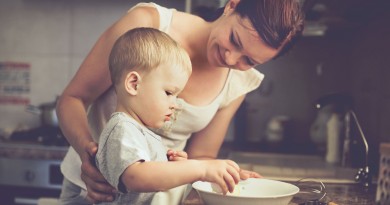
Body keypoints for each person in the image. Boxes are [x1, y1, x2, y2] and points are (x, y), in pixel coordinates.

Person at [56, 0, 305, 204]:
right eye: (235, 40)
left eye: (249, 60)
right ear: (232, 5)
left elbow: (201, 157)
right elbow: (72, 99)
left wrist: (221, 176)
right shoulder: (148, 25)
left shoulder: (240, 80)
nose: (231, 59)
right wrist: (89, 155)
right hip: (91, 193)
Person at [60, 27, 241, 204]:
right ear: (134, 84)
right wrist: (197, 168)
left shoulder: (140, 133)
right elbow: (135, 177)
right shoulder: (121, 129)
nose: (175, 104)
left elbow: (152, 177)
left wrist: (175, 167)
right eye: (169, 93)